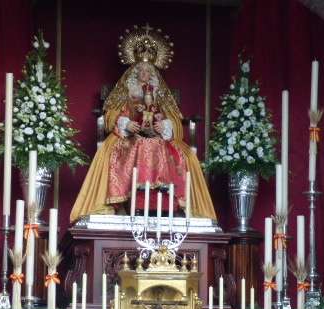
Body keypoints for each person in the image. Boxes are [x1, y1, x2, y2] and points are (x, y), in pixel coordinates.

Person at [70, 26, 216, 222]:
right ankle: (123, 203)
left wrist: (165, 125)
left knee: (185, 154)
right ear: (135, 71)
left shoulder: (160, 94)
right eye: (142, 70)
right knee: (124, 148)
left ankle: (168, 203)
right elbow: (110, 116)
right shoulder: (125, 92)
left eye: (149, 70)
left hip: (158, 139)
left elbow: (175, 119)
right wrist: (126, 123)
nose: (145, 73)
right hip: (129, 137)